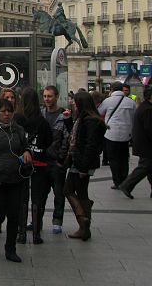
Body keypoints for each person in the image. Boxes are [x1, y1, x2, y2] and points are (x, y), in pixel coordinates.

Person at [0, 98, 32, 263]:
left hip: (16, 179)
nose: (7, 114)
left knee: (14, 216)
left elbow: (26, 146)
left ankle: (10, 249)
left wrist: (27, 152)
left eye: (9, 111)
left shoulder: (18, 130)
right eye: (3, 111)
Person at [65, 91, 107, 241]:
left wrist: (84, 167)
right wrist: (68, 121)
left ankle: (83, 220)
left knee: (69, 189)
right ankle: (84, 226)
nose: (73, 104)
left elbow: (91, 146)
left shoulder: (90, 121)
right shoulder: (84, 119)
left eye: (75, 102)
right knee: (81, 192)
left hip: (82, 162)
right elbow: (76, 136)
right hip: (79, 160)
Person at [13, 87, 53, 244]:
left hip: (22, 163)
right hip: (40, 162)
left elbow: (13, 140)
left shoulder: (17, 118)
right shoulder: (42, 120)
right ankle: (36, 234)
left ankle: (21, 233)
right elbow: (49, 140)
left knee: (22, 198)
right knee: (37, 198)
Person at [40, 85, 73, 235]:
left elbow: (68, 138)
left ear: (56, 97)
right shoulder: (41, 114)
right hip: (42, 161)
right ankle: (37, 220)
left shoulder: (64, 115)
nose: (47, 99)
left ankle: (57, 221)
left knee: (59, 193)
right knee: (40, 194)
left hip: (56, 162)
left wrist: (62, 159)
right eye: (45, 96)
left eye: (50, 96)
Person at [98, 82, 137, 188]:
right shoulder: (131, 102)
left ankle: (117, 181)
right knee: (124, 158)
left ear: (112, 90)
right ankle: (124, 180)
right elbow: (135, 118)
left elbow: (100, 111)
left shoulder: (108, 101)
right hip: (126, 135)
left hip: (111, 134)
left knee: (113, 159)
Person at [118, 84, 152, 199]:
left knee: (148, 167)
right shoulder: (148, 109)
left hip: (143, 143)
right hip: (146, 144)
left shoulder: (145, 106)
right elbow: (150, 129)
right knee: (145, 166)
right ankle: (126, 185)